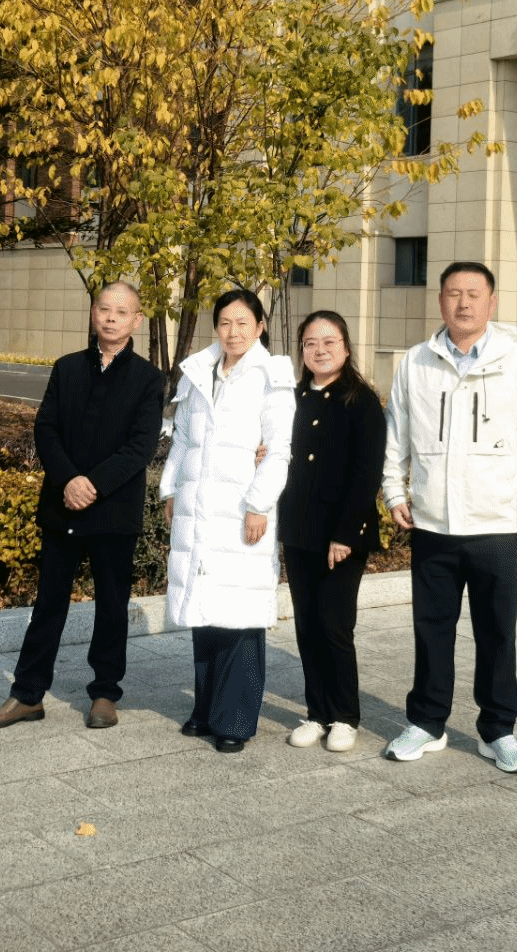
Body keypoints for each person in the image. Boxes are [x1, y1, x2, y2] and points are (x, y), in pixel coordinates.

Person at [380, 261, 517, 774]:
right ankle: (427, 723)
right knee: (431, 629)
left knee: (497, 632)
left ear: (491, 302)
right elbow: (396, 431)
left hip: (495, 526)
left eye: (473, 294)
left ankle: (498, 730)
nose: (463, 303)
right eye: (453, 293)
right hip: (433, 523)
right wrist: (393, 490)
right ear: (440, 301)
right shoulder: (416, 362)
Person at [0, 282, 164, 731]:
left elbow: (141, 446)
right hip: (63, 505)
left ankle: (104, 693)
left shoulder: (148, 378)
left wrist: (92, 484)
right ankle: (27, 694)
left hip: (113, 510)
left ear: (137, 321)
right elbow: (46, 430)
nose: (111, 318)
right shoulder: (66, 368)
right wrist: (69, 480)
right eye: (104, 309)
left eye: (122, 312)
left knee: (111, 606)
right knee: (49, 604)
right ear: (93, 313)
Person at [160, 289, 294, 752]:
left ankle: (234, 720)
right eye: (224, 323)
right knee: (204, 609)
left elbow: (279, 449)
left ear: (260, 327)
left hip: (241, 511)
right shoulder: (200, 371)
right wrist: (171, 489)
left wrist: (259, 504)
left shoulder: (271, 376)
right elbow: (182, 439)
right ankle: (206, 709)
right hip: (199, 508)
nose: (233, 332)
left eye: (243, 323)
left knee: (239, 614)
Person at [278, 310, 385, 754]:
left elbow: (366, 474)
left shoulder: (361, 401)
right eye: (310, 343)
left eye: (329, 342)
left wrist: (345, 534)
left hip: (341, 535)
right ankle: (317, 712)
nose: (319, 350)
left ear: (345, 347)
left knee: (335, 625)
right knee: (307, 625)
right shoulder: (293, 398)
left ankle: (344, 716)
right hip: (299, 530)